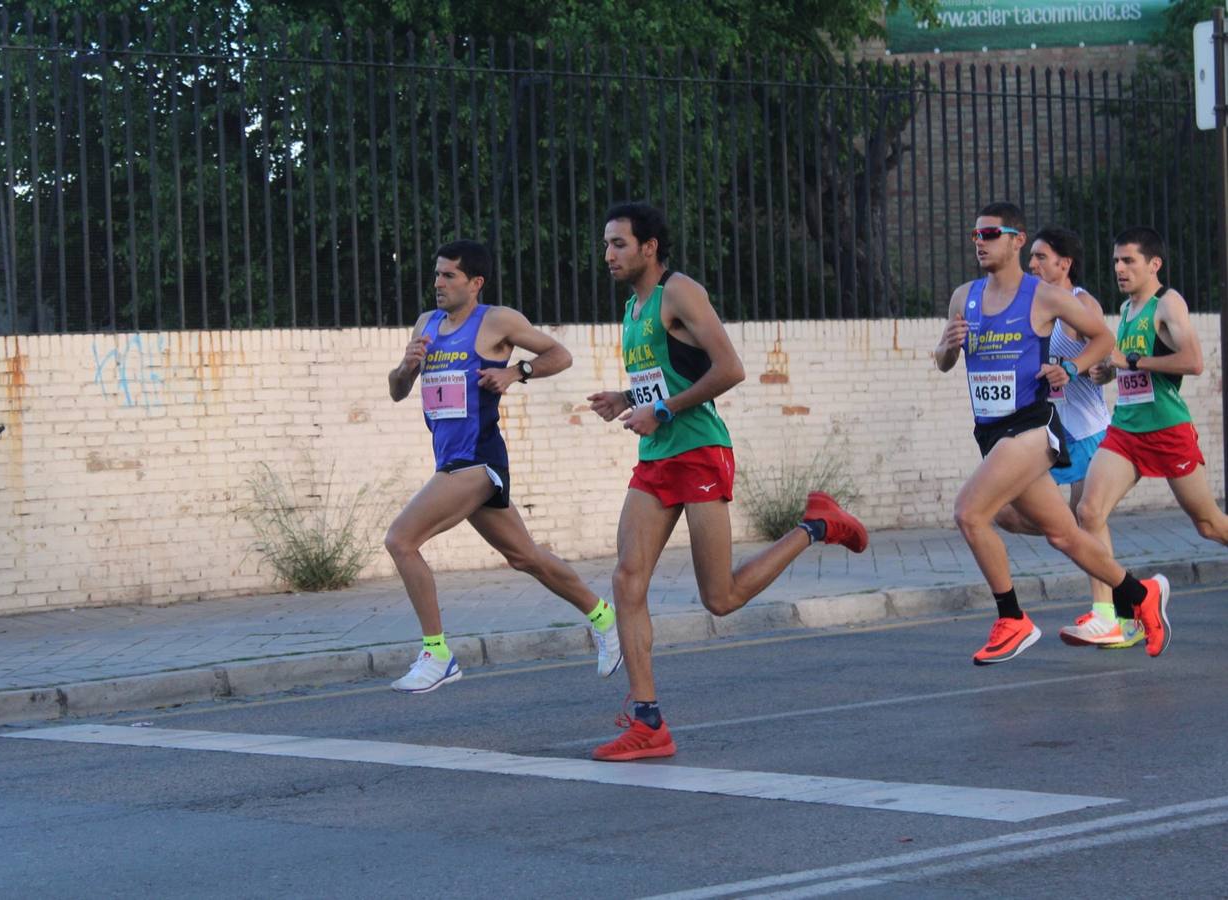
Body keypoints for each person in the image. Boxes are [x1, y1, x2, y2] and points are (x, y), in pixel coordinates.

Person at [586, 202, 868, 762]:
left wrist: (663, 411)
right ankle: (648, 722)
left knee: (721, 597)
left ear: (650, 247)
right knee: (626, 579)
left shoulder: (678, 291)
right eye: (606, 244)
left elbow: (729, 369)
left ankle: (816, 524)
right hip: (657, 456)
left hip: (699, 452)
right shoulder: (632, 307)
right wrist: (628, 397)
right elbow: (668, 375)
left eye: (619, 243)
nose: (609, 254)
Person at [933, 202, 1169, 665]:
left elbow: (1103, 338)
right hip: (991, 433)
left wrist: (1069, 366)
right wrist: (944, 347)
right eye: (976, 235)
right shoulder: (965, 297)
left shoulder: (1043, 296)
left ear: (1017, 240)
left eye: (991, 234)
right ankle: (1140, 596)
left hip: (1032, 429)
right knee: (1064, 534)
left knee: (969, 512)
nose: (980, 242)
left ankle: (1012, 618)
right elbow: (945, 362)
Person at [385, 239, 621, 693]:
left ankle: (437, 654)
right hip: (451, 459)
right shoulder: (427, 325)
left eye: (449, 275)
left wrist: (516, 373)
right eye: (436, 273)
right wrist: (406, 367)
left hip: (478, 460)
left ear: (475, 283)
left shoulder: (496, 320)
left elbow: (559, 354)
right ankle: (604, 617)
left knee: (401, 539)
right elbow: (397, 391)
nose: (438, 283)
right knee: (524, 557)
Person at [1071, 226, 1228, 648]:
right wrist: (1109, 370)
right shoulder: (1125, 309)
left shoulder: (1167, 303)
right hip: (1126, 429)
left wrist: (1132, 358)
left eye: (1129, 261)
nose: (1120, 268)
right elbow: (1127, 366)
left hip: (1167, 430)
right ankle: (1110, 616)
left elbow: (1193, 362)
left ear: (1153, 264)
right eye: (1117, 261)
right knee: (1088, 511)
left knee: (1210, 525)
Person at [987, 227, 1132, 647]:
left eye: (1040, 256)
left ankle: (1106, 613)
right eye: (1031, 257)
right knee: (1008, 514)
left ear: (1063, 264)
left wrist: (1088, 369)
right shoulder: (1030, 304)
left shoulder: (1081, 303)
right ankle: (1124, 589)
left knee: (1089, 516)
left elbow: (1105, 360)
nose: (1032, 263)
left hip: (1087, 432)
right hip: (1049, 434)